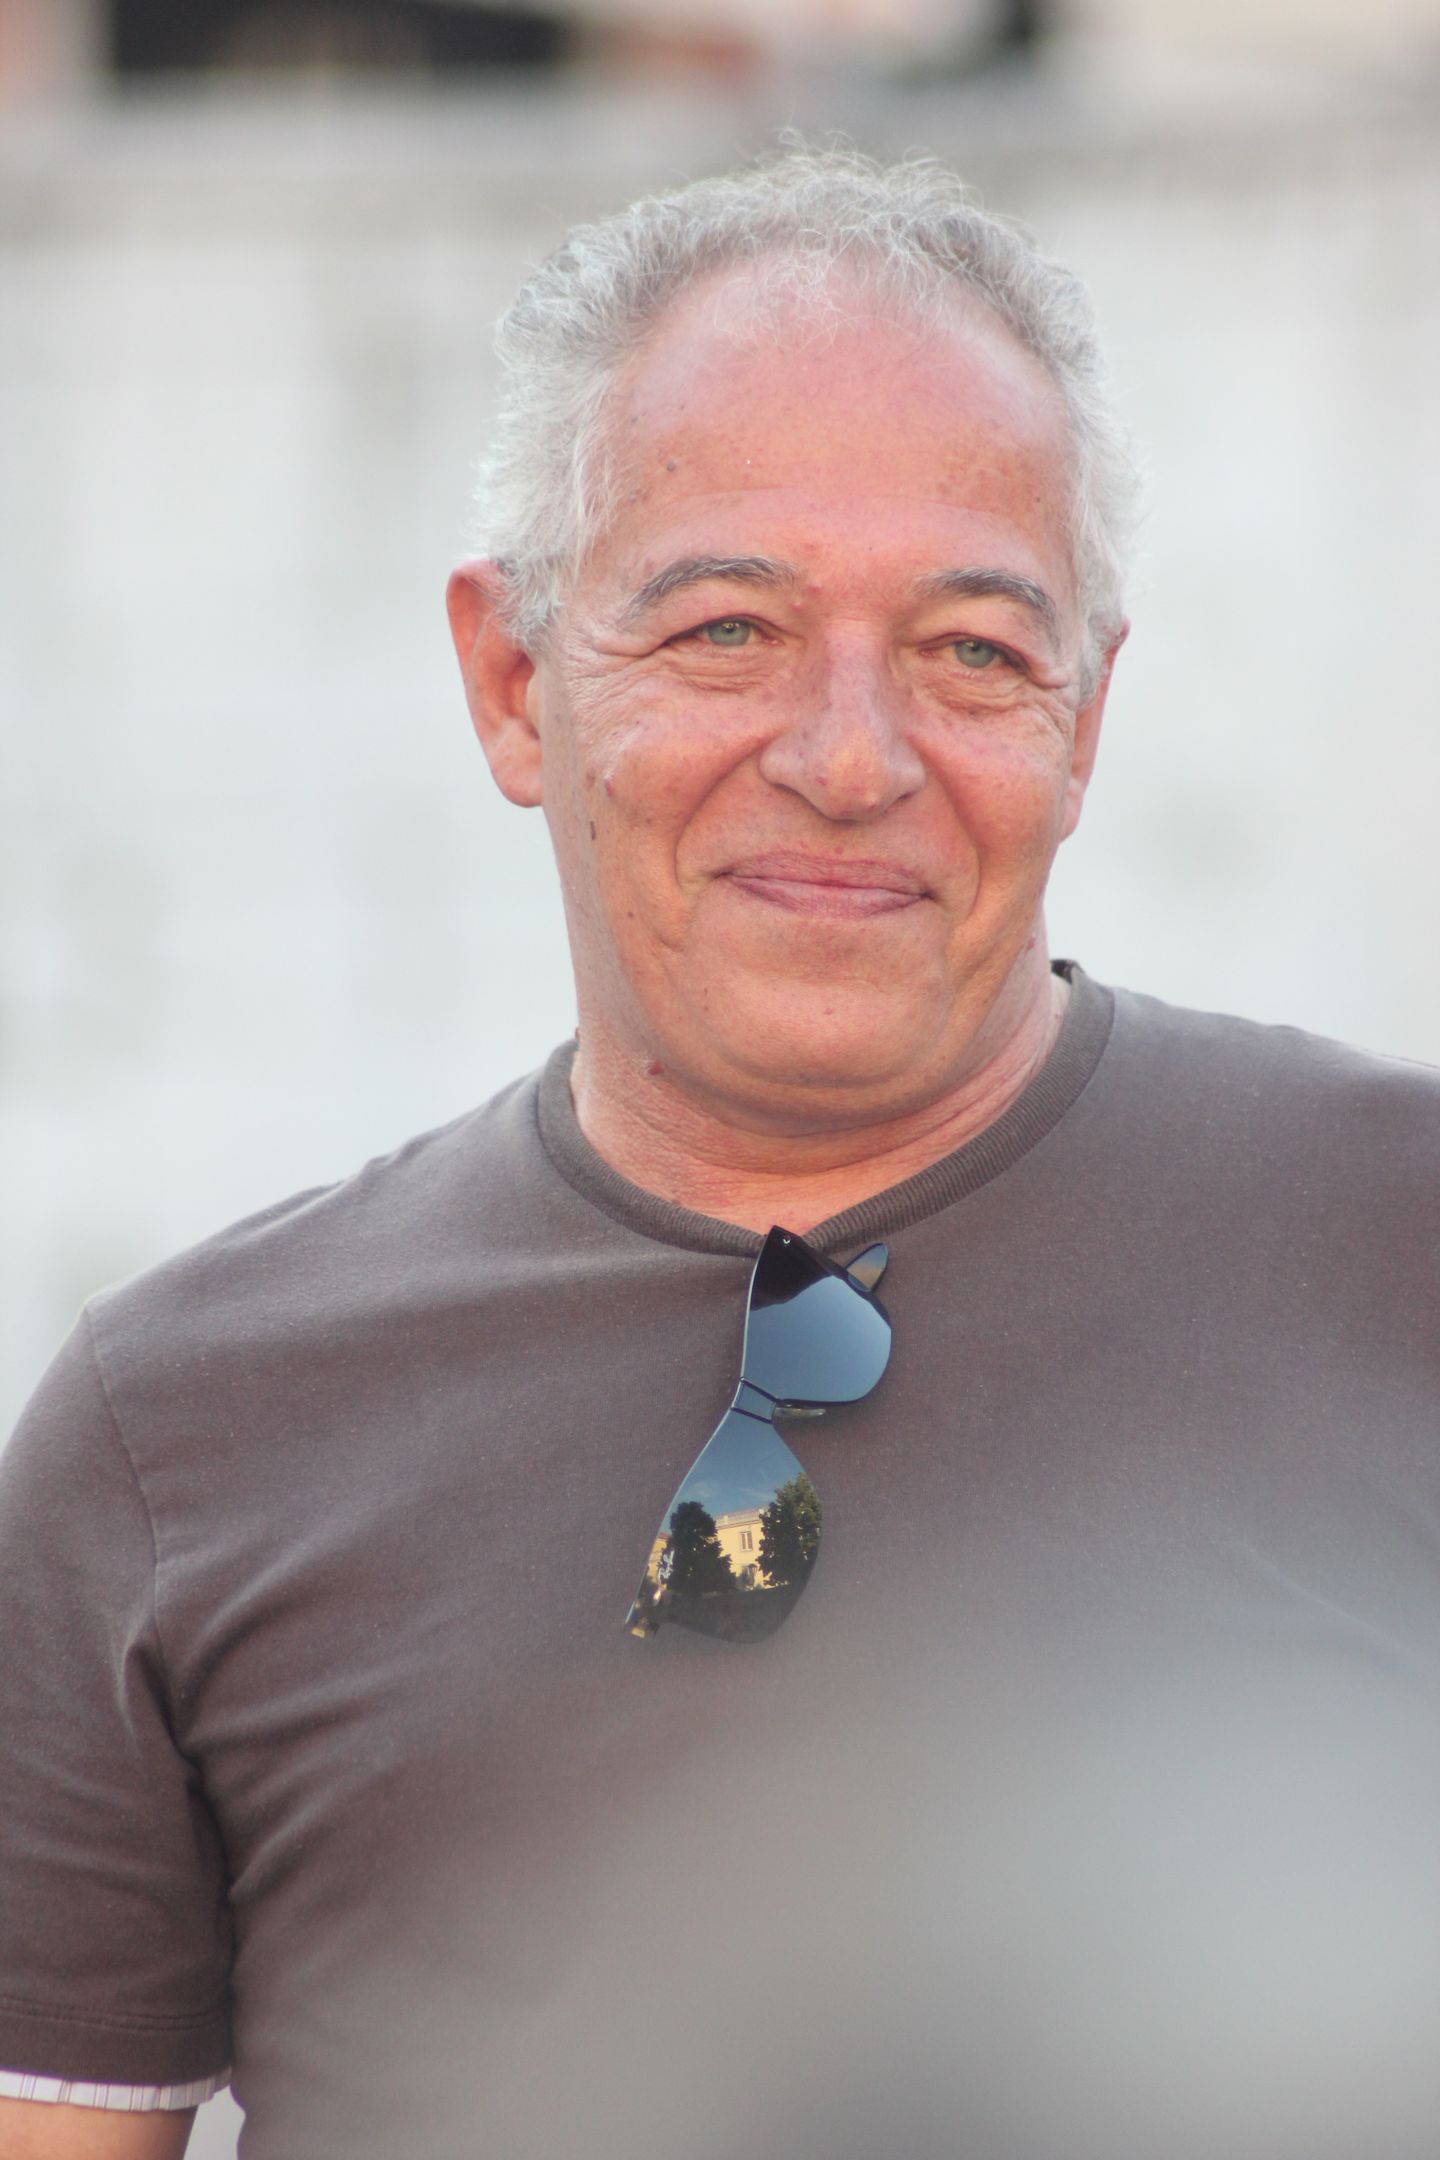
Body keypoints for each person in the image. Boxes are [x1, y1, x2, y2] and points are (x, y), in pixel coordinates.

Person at [3, 145, 1439, 2160]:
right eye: (728, 631)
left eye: (972, 650)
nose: (849, 760)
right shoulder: (178, 1438)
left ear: (1088, 717)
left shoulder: (1395, 1252)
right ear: (514, 683)